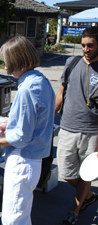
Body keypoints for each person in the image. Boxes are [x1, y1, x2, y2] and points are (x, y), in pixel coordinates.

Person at [0, 36, 55, 225]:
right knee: (21, 214)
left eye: (6, 62)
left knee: (13, 219)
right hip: (33, 160)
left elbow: (21, 136)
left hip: (22, 160)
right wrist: (9, 125)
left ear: (17, 61)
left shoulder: (26, 88)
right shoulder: (41, 81)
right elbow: (33, 121)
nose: (4, 67)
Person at [54, 26, 98, 225]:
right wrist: (49, 119)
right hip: (68, 128)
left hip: (93, 131)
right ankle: (88, 197)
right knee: (66, 173)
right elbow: (61, 93)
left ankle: (75, 210)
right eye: (83, 45)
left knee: (86, 173)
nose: (86, 49)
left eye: (90, 45)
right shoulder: (72, 62)